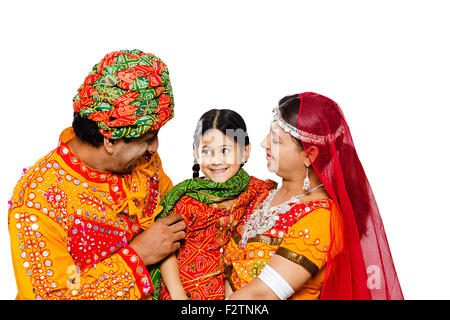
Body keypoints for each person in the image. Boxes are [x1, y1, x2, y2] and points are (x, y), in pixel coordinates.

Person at [8, 49, 186, 300]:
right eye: (148, 139)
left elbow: (177, 215)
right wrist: (136, 257)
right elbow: (51, 296)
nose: (155, 148)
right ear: (110, 140)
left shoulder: (143, 163)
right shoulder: (39, 199)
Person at [224, 92, 403, 300]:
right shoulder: (262, 194)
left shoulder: (321, 218)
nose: (264, 143)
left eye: (276, 140)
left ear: (309, 156)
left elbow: (262, 296)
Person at [155, 109, 276, 300]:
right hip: (184, 294)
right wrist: (180, 298)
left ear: (245, 151)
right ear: (196, 153)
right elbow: (165, 249)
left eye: (225, 150)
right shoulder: (184, 200)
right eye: (206, 151)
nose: (216, 160)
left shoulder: (259, 193)